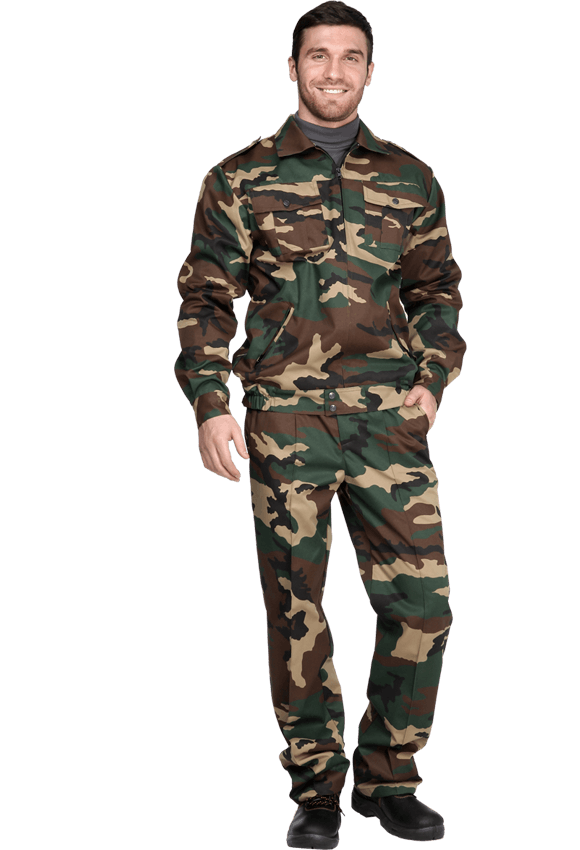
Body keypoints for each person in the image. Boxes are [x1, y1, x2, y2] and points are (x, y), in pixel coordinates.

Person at [174, 2, 465, 845]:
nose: (333, 71)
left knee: (421, 606)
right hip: (286, 423)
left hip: (388, 426)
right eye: (317, 55)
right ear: (293, 66)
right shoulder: (239, 178)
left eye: (349, 56)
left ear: (370, 70)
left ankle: (387, 778)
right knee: (296, 608)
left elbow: (438, 291)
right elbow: (205, 297)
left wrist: (431, 382)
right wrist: (209, 402)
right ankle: (316, 790)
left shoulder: (410, 178)